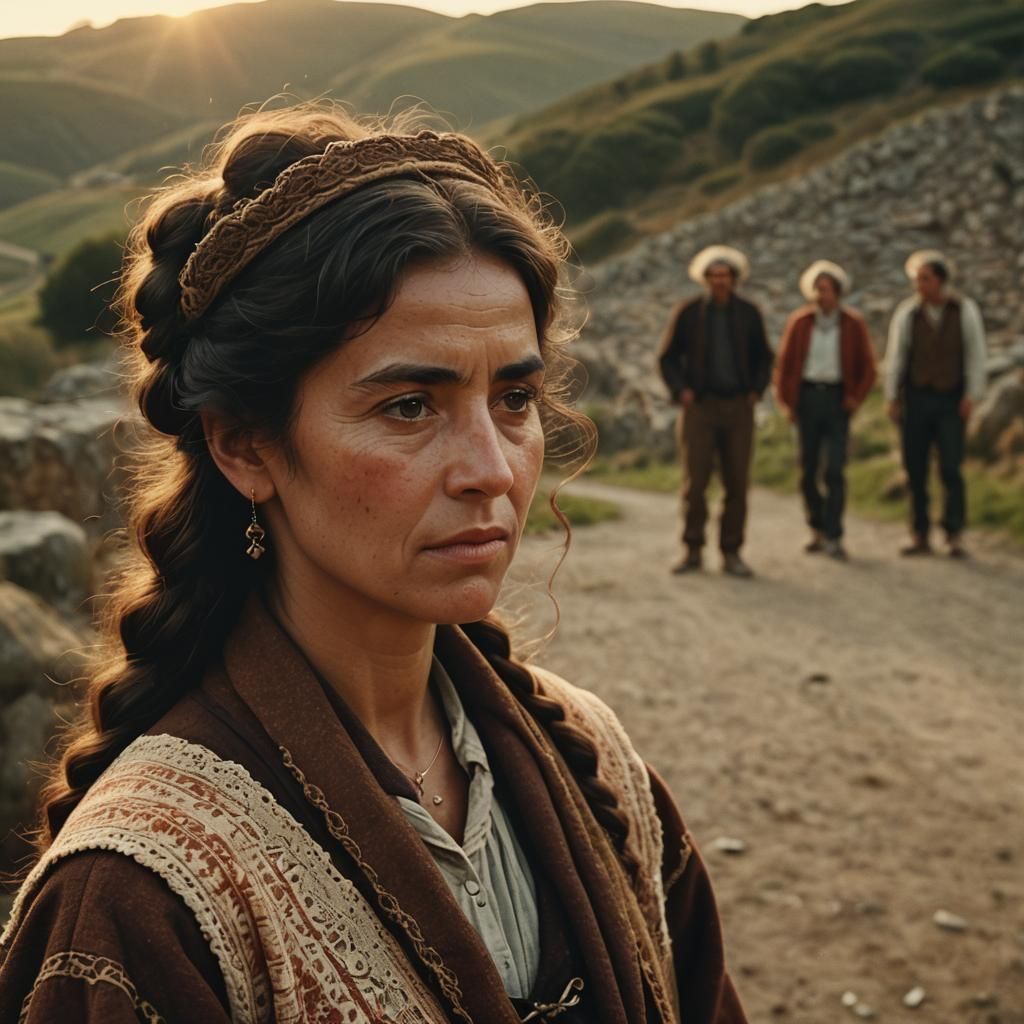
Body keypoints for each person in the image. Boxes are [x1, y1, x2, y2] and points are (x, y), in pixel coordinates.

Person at [0, 106, 746, 1024]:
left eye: (513, 397)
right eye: (408, 406)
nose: (491, 470)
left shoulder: (596, 760)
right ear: (246, 446)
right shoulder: (142, 893)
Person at [657, 245, 773, 578]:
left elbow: (766, 357)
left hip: (739, 408)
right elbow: (666, 358)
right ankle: (693, 550)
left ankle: (732, 552)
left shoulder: (749, 313)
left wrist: (756, 390)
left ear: (735, 279)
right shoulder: (689, 312)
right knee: (696, 483)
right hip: (700, 409)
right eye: (713, 275)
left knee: (737, 483)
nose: (719, 281)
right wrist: (681, 391)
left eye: (725, 275)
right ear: (704, 278)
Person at [884, 250, 987, 558]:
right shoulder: (908, 314)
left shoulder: (964, 310)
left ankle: (954, 533)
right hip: (916, 398)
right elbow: (896, 356)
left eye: (925, 279)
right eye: (917, 279)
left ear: (940, 280)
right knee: (915, 468)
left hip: (950, 399)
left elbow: (975, 354)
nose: (919, 285)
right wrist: (892, 396)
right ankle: (919, 532)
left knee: (951, 467)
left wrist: (972, 395)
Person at [774, 261, 877, 560]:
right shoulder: (801, 322)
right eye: (817, 289)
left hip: (836, 399)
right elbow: (786, 364)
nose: (821, 295)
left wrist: (855, 398)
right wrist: (787, 402)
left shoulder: (852, 324)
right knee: (807, 470)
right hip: (807, 399)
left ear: (838, 292)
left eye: (826, 289)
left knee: (834, 469)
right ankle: (816, 527)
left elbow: (868, 367)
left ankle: (834, 533)